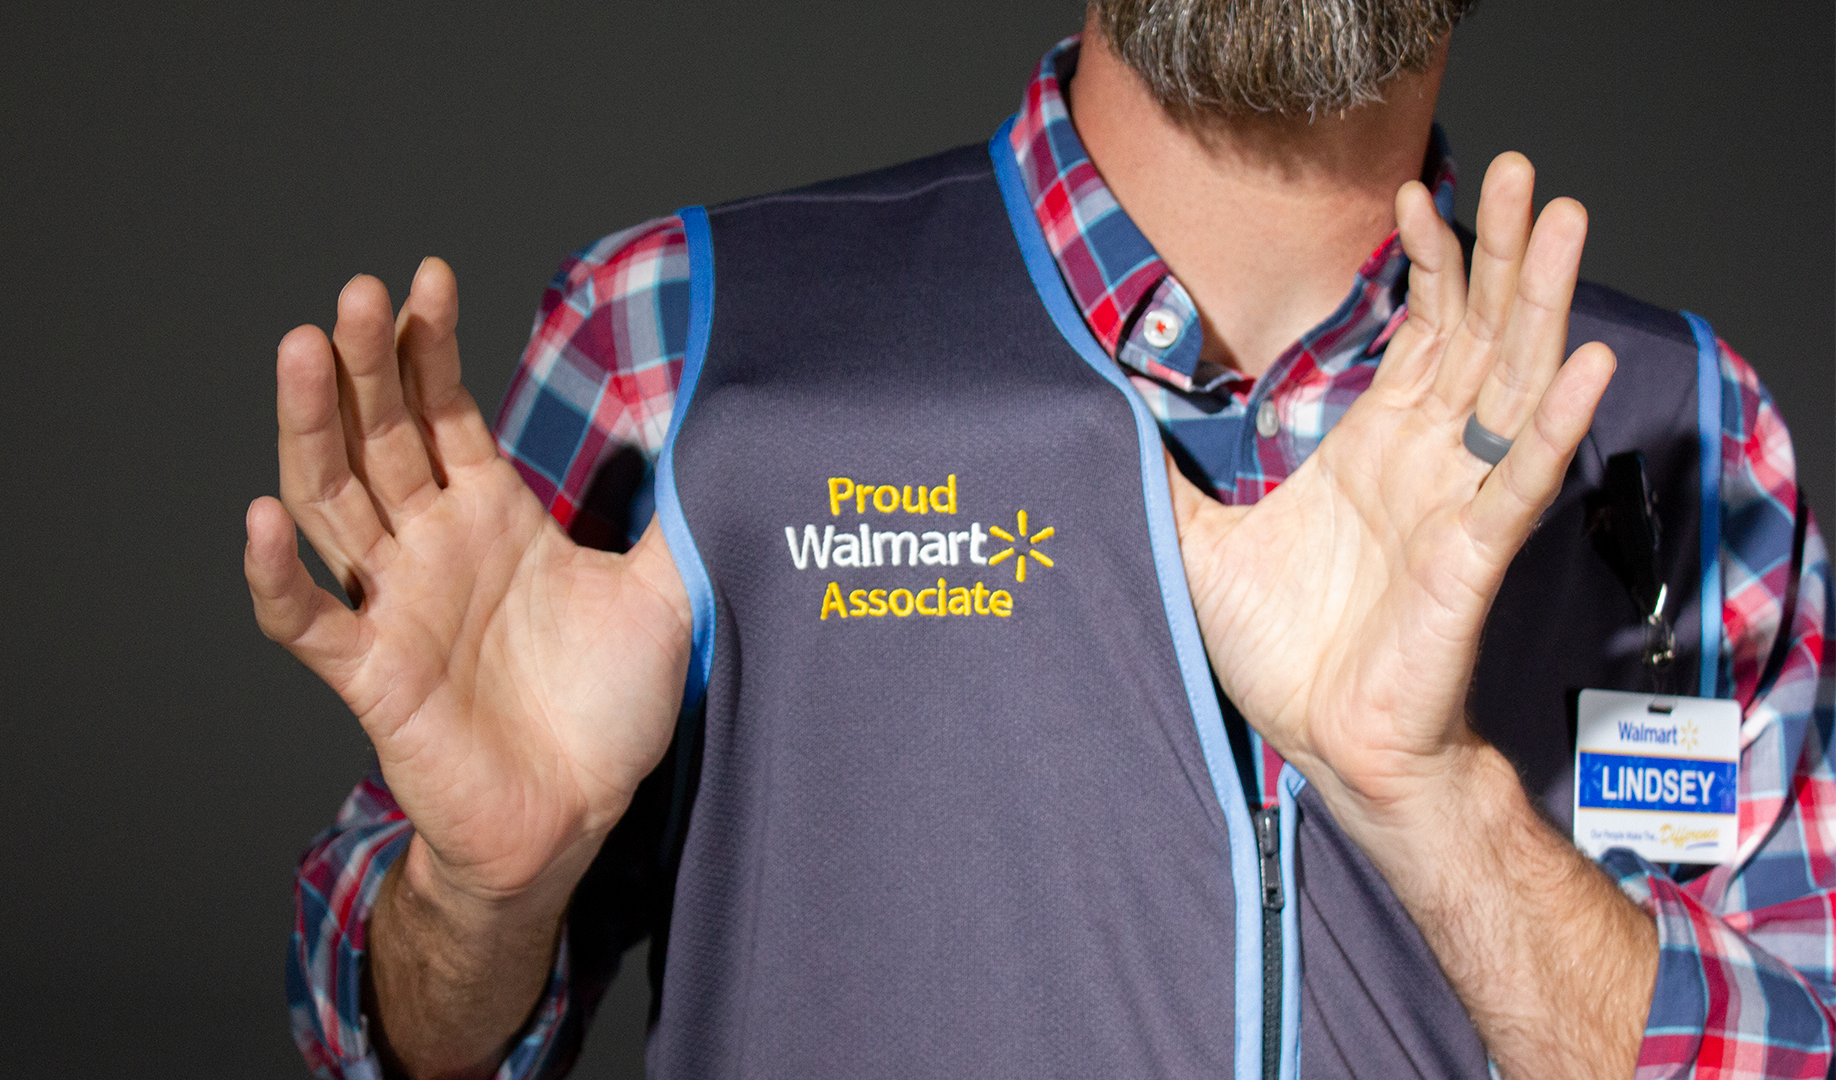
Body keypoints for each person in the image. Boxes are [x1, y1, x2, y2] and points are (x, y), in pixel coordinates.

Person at [250, 3, 1836, 1078]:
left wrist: (1434, 807)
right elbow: (380, 1039)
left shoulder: (1686, 433)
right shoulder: (682, 344)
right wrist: (482, 897)